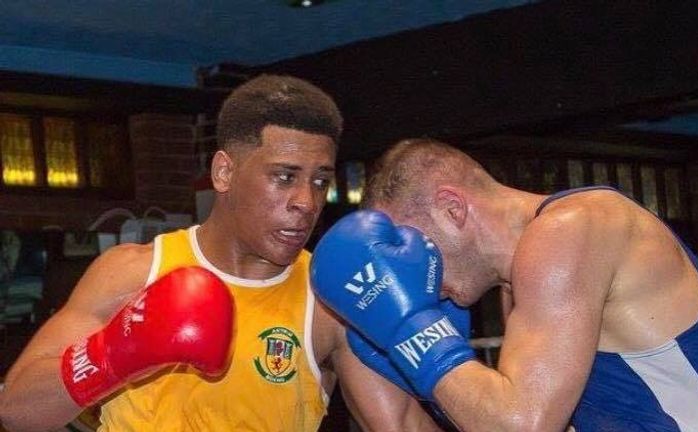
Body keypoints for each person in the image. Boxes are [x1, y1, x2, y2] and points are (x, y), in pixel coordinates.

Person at [0, 76, 445, 431]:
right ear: (224, 172)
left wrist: (427, 336)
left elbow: (400, 424)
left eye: (319, 181)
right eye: (285, 177)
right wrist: (114, 354)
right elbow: (17, 411)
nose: (306, 202)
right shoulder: (133, 272)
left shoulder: (329, 298)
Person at [310, 138, 698, 431]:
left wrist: (413, 332)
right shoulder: (524, 284)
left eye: (413, 246)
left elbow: (523, 425)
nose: (413, 273)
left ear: (452, 209)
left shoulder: (572, 229)